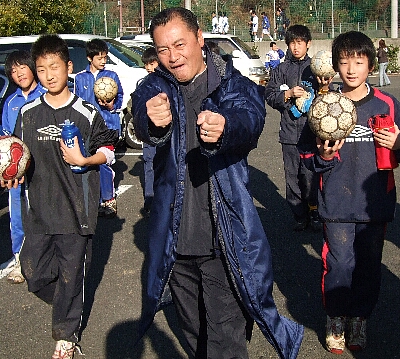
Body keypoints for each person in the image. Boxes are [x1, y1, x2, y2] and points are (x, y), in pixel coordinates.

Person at [132, 7, 303, 359]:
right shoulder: (155, 85)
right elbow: (139, 110)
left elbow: (251, 117)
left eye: (179, 45)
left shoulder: (230, 82)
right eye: (162, 49)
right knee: (193, 334)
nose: (172, 57)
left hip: (223, 240)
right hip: (175, 242)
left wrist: (226, 126)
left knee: (226, 341)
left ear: (199, 39)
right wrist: (151, 121)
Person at [1, 34, 118, 359]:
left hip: (76, 213)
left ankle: (66, 336)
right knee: (34, 273)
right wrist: (15, 173)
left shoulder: (86, 113)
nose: (49, 75)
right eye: (42, 69)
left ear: (68, 67)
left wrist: (86, 160)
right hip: (38, 212)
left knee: (70, 273)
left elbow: (109, 151)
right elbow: (18, 154)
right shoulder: (27, 114)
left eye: (55, 66)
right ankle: (71, 298)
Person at [299, 30, 400, 355]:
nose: (352, 69)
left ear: (370, 64)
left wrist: (398, 145)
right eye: (345, 62)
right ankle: (337, 318)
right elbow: (305, 157)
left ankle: (360, 318)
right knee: (340, 265)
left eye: (358, 61)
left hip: (374, 205)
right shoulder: (324, 105)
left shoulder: (388, 104)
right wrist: (324, 157)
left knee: (369, 266)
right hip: (337, 204)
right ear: (336, 67)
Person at [265, 25, 325, 232]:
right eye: (292, 43)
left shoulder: (317, 67)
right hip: (289, 133)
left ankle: (315, 211)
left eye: (300, 42)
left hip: (312, 133)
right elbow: (270, 96)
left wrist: (324, 87)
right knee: (292, 178)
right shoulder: (281, 70)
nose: (296, 47)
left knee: (311, 176)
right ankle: (299, 215)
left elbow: (329, 97)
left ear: (308, 44)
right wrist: (288, 94)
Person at [1, 50, 47, 284]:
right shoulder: (10, 102)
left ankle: (47, 261)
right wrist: (6, 170)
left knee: (45, 215)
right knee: (18, 218)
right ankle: (21, 260)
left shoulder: (46, 95)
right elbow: (5, 140)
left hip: (44, 171)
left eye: (22, 67)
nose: (19, 73)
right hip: (18, 176)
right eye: (13, 70)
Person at [74, 38, 123, 218]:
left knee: (103, 162)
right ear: (89, 58)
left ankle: (108, 200)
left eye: (105, 57)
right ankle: (90, 200)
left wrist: (111, 106)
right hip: (87, 128)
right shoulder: (80, 78)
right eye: (100, 57)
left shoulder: (112, 76)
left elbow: (120, 98)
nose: (103, 61)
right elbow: (77, 101)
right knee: (87, 162)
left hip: (107, 127)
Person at [141, 47, 159, 213]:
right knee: (149, 165)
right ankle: (150, 199)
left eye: (151, 63)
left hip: (164, 135)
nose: (148, 67)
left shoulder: (167, 83)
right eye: (146, 64)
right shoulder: (143, 84)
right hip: (149, 134)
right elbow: (136, 108)